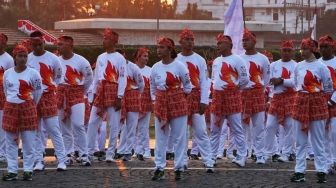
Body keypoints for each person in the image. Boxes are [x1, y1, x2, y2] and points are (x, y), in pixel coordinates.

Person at [290, 38, 332, 183]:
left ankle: (321, 170)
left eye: (306, 48)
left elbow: (328, 87)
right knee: (300, 141)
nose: (302, 51)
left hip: (317, 103)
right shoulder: (298, 66)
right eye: (302, 48)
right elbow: (296, 83)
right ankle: (299, 171)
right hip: (301, 102)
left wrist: (318, 97)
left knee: (318, 140)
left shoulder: (321, 67)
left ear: (313, 49)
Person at [151, 37, 192, 181]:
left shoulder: (180, 66)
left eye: (162, 47)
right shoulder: (155, 67)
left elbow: (188, 86)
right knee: (160, 137)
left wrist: (177, 97)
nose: (159, 50)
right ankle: (159, 167)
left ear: (170, 49)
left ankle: (179, 167)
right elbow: (152, 87)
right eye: (158, 47)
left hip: (178, 102)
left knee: (179, 137)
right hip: (161, 103)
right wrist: (156, 101)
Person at [27, 31, 67, 171]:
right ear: (30, 44)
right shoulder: (28, 58)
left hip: (48, 96)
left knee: (53, 128)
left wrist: (52, 87)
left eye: (39, 44)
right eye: (34, 45)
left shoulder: (53, 58)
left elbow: (59, 76)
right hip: (32, 98)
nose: (37, 47)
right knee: (36, 130)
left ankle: (62, 160)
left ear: (44, 43)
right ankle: (39, 160)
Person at [176, 28, 214, 172]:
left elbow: (205, 81)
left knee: (201, 130)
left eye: (192, 40)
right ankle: (182, 161)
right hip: (180, 98)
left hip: (197, 97)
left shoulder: (199, 60)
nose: (190, 42)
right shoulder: (176, 59)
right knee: (182, 132)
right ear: (181, 42)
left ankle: (208, 160)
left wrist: (204, 101)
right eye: (187, 39)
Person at [2, 44, 42, 181]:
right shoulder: (8, 73)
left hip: (28, 108)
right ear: (15, 57)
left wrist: (29, 105)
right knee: (11, 142)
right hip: (11, 109)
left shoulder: (34, 73)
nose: (23, 59)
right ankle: (12, 171)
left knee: (28, 141)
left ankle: (27, 170)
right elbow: (6, 91)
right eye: (20, 56)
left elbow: (37, 93)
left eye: (25, 56)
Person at [86, 28, 127, 162]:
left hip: (114, 91)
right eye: (104, 38)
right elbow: (96, 77)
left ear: (114, 41)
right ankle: (89, 153)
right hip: (101, 91)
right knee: (92, 122)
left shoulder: (120, 58)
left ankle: (110, 154)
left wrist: (120, 96)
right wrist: (92, 95)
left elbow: (122, 77)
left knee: (113, 125)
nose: (104, 40)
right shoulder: (100, 57)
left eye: (106, 38)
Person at [210, 34, 249, 167]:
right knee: (215, 129)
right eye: (218, 43)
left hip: (232, 97)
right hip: (217, 98)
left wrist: (235, 89)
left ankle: (242, 156)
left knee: (237, 128)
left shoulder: (238, 60)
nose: (218, 46)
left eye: (221, 43)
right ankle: (212, 157)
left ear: (229, 45)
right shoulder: (216, 61)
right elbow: (214, 79)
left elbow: (245, 79)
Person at [57, 36, 93, 166]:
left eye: (62, 44)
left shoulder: (81, 61)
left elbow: (89, 78)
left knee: (78, 124)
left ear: (70, 46)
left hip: (77, 93)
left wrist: (82, 91)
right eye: (59, 44)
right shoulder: (56, 60)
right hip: (61, 94)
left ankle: (84, 154)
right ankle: (68, 153)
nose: (59, 47)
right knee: (64, 126)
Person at [262, 40, 297, 163]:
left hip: (291, 98)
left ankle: (286, 153)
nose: (286, 53)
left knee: (289, 127)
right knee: (270, 126)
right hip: (276, 98)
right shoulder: (273, 65)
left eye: (289, 50)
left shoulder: (296, 65)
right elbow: (269, 82)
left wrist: (281, 80)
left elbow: (294, 82)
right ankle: (267, 153)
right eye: (284, 50)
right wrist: (270, 97)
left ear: (292, 52)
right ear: (280, 51)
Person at [240, 29, 270, 164]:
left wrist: (258, 89)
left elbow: (266, 78)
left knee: (259, 127)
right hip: (243, 94)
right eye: (243, 40)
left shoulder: (263, 59)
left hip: (258, 94)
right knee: (242, 127)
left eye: (247, 40)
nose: (244, 42)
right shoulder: (239, 58)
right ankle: (243, 154)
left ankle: (260, 155)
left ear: (254, 41)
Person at [116, 49, 144, 161]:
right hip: (120, 97)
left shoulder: (133, 67)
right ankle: (120, 150)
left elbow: (141, 83)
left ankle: (128, 151)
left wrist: (136, 93)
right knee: (121, 125)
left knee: (132, 126)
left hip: (132, 95)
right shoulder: (115, 67)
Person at [319, 35, 336, 173]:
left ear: (332, 47)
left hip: (334, 102)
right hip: (320, 102)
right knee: (322, 134)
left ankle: (334, 160)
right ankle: (326, 163)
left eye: (326, 47)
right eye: (321, 47)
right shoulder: (317, 63)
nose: (323, 49)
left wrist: (332, 100)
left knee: (334, 133)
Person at [134, 47, 152, 160]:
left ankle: (146, 150)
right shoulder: (131, 68)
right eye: (144, 56)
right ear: (138, 57)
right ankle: (137, 149)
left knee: (143, 127)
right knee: (133, 127)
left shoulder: (150, 70)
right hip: (133, 101)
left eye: (147, 56)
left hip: (146, 101)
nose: (147, 58)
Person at [0, 33, 14, 163]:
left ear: (5, 43)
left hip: (3, 95)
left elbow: (11, 79)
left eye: (1, 41)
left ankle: (2, 153)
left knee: (2, 126)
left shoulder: (8, 60)